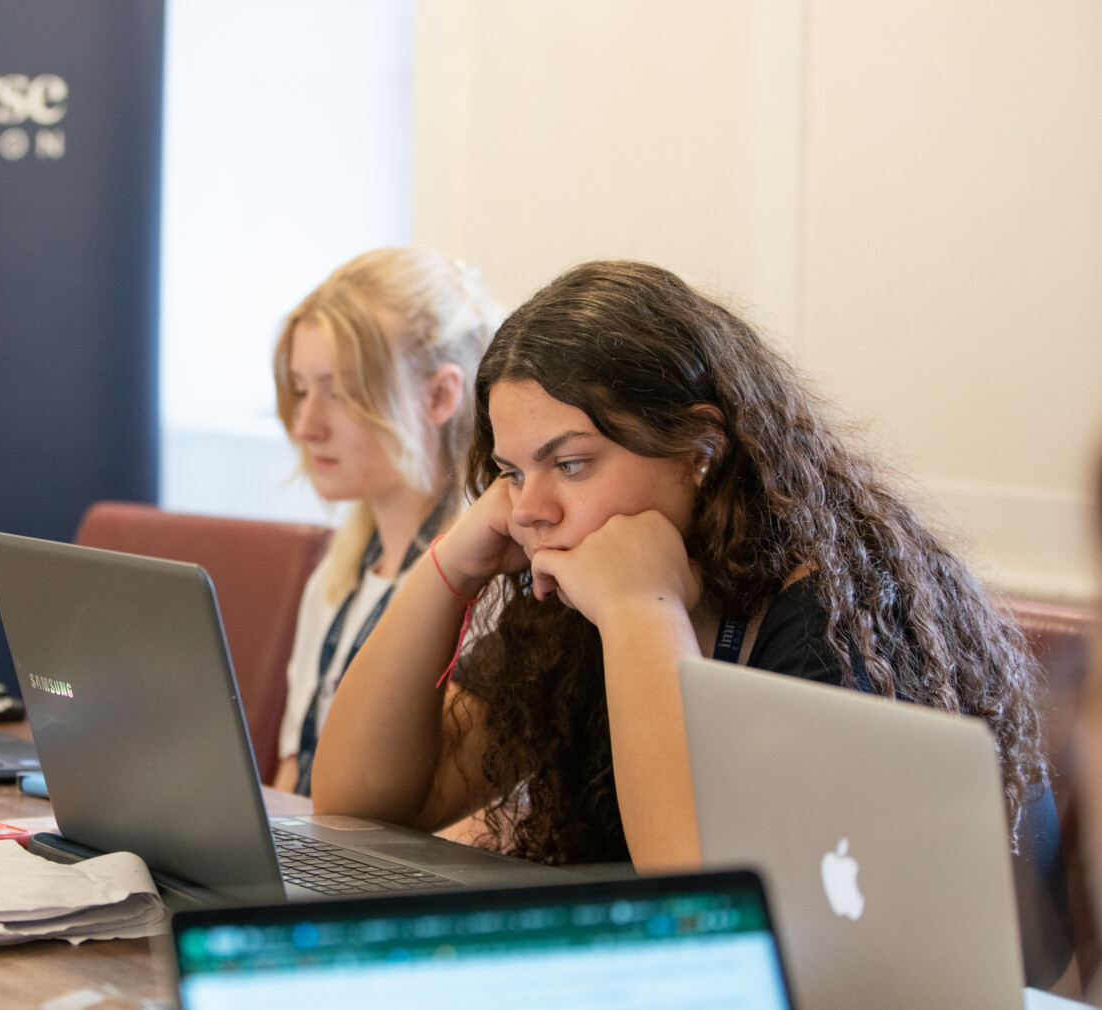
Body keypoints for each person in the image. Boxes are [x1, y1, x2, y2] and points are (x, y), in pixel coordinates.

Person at [312, 259, 1049, 873]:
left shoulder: (833, 622)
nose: (529, 508)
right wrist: (451, 565)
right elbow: (359, 801)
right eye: (510, 471)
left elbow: (707, 904)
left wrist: (641, 611)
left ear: (700, 448)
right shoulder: (572, 599)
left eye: (570, 463)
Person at [268, 247, 503, 796]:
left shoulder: (491, 587)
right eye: (301, 390)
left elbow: (469, 821)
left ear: (442, 394)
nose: (305, 424)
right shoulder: (334, 578)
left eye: (342, 392)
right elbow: (290, 782)